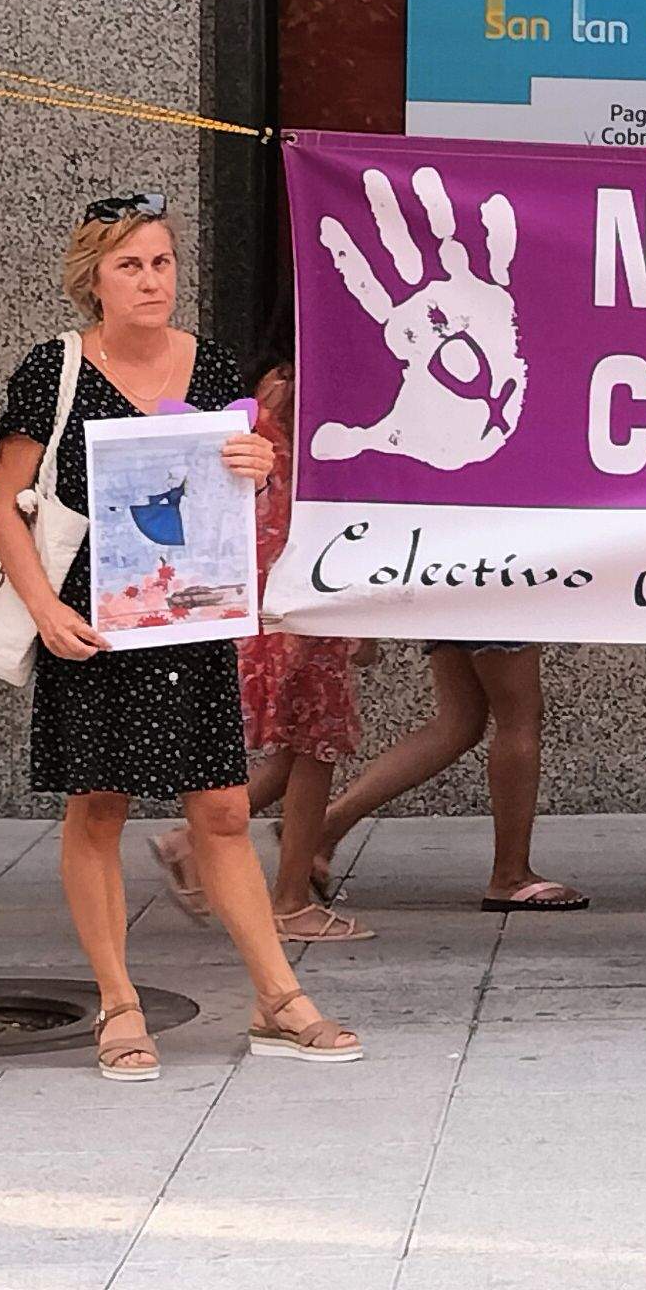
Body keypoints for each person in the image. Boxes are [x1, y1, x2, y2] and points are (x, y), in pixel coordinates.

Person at [0, 192, 362, 1076]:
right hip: (90, 619)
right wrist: (45, 609)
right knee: (100, 806)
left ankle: (278, 995)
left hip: (188, 615)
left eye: (161, 262)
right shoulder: (55, 369)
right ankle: (118, 1006)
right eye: (130, 265)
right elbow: (5, 502)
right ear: (94, 280)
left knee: (224, 808)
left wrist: (260, 463)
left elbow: (236, 481)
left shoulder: (214, 360)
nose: (151, 280)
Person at [232, 342, 376, 942]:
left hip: (278, 591)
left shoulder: (260, 406)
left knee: (300, 745)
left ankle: (198, 844)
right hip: (306, 592)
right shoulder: (298, 406)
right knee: (313, 744)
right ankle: (289, 899)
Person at [311, 641, 586, 911]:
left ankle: (324, 828)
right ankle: (511, 876)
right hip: (499, 600)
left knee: (459, 721)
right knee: (518, 718)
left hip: (454, 598)